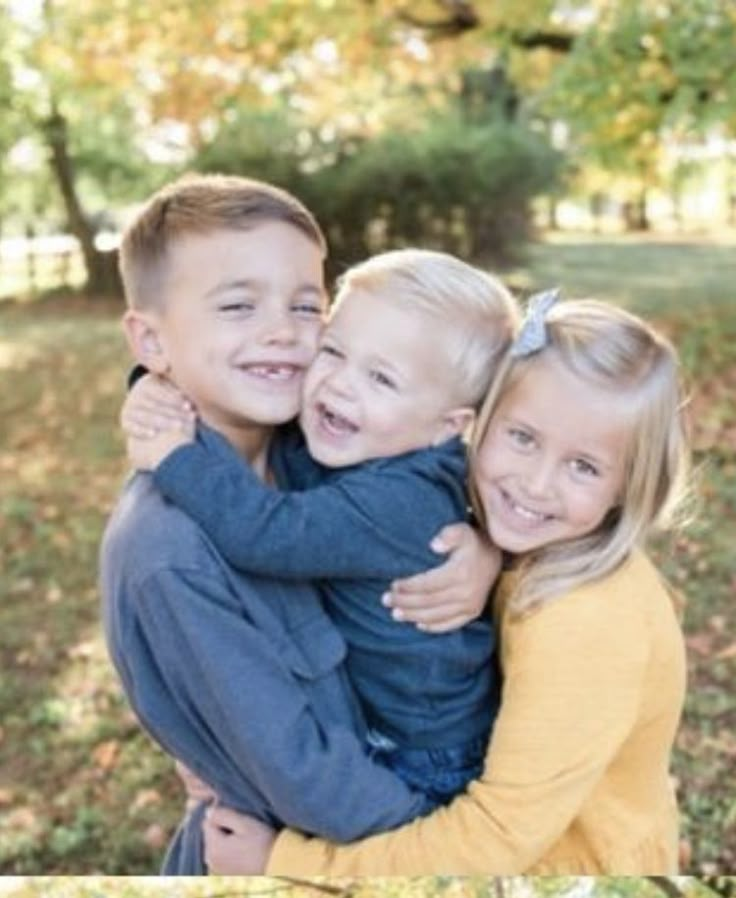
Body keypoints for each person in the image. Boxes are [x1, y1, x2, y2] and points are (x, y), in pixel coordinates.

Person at [201, 292, 691, 875]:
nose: (533, 484)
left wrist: (283, 862)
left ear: (629, 489)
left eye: (583, 466)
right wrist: (486, 546)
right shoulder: (500, 528)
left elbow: (497, 839)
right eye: (522, 437)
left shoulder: (584, 623)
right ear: (472, 423)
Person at [99, 172, 497, 874]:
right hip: (310, 852)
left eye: (307, 306)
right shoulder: (169, 553)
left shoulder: (310, 447)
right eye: (237, 305)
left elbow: (428, 466)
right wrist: (446, 862)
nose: (281, 332)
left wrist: (484, 548)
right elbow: (308, 777)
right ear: (152, 342)